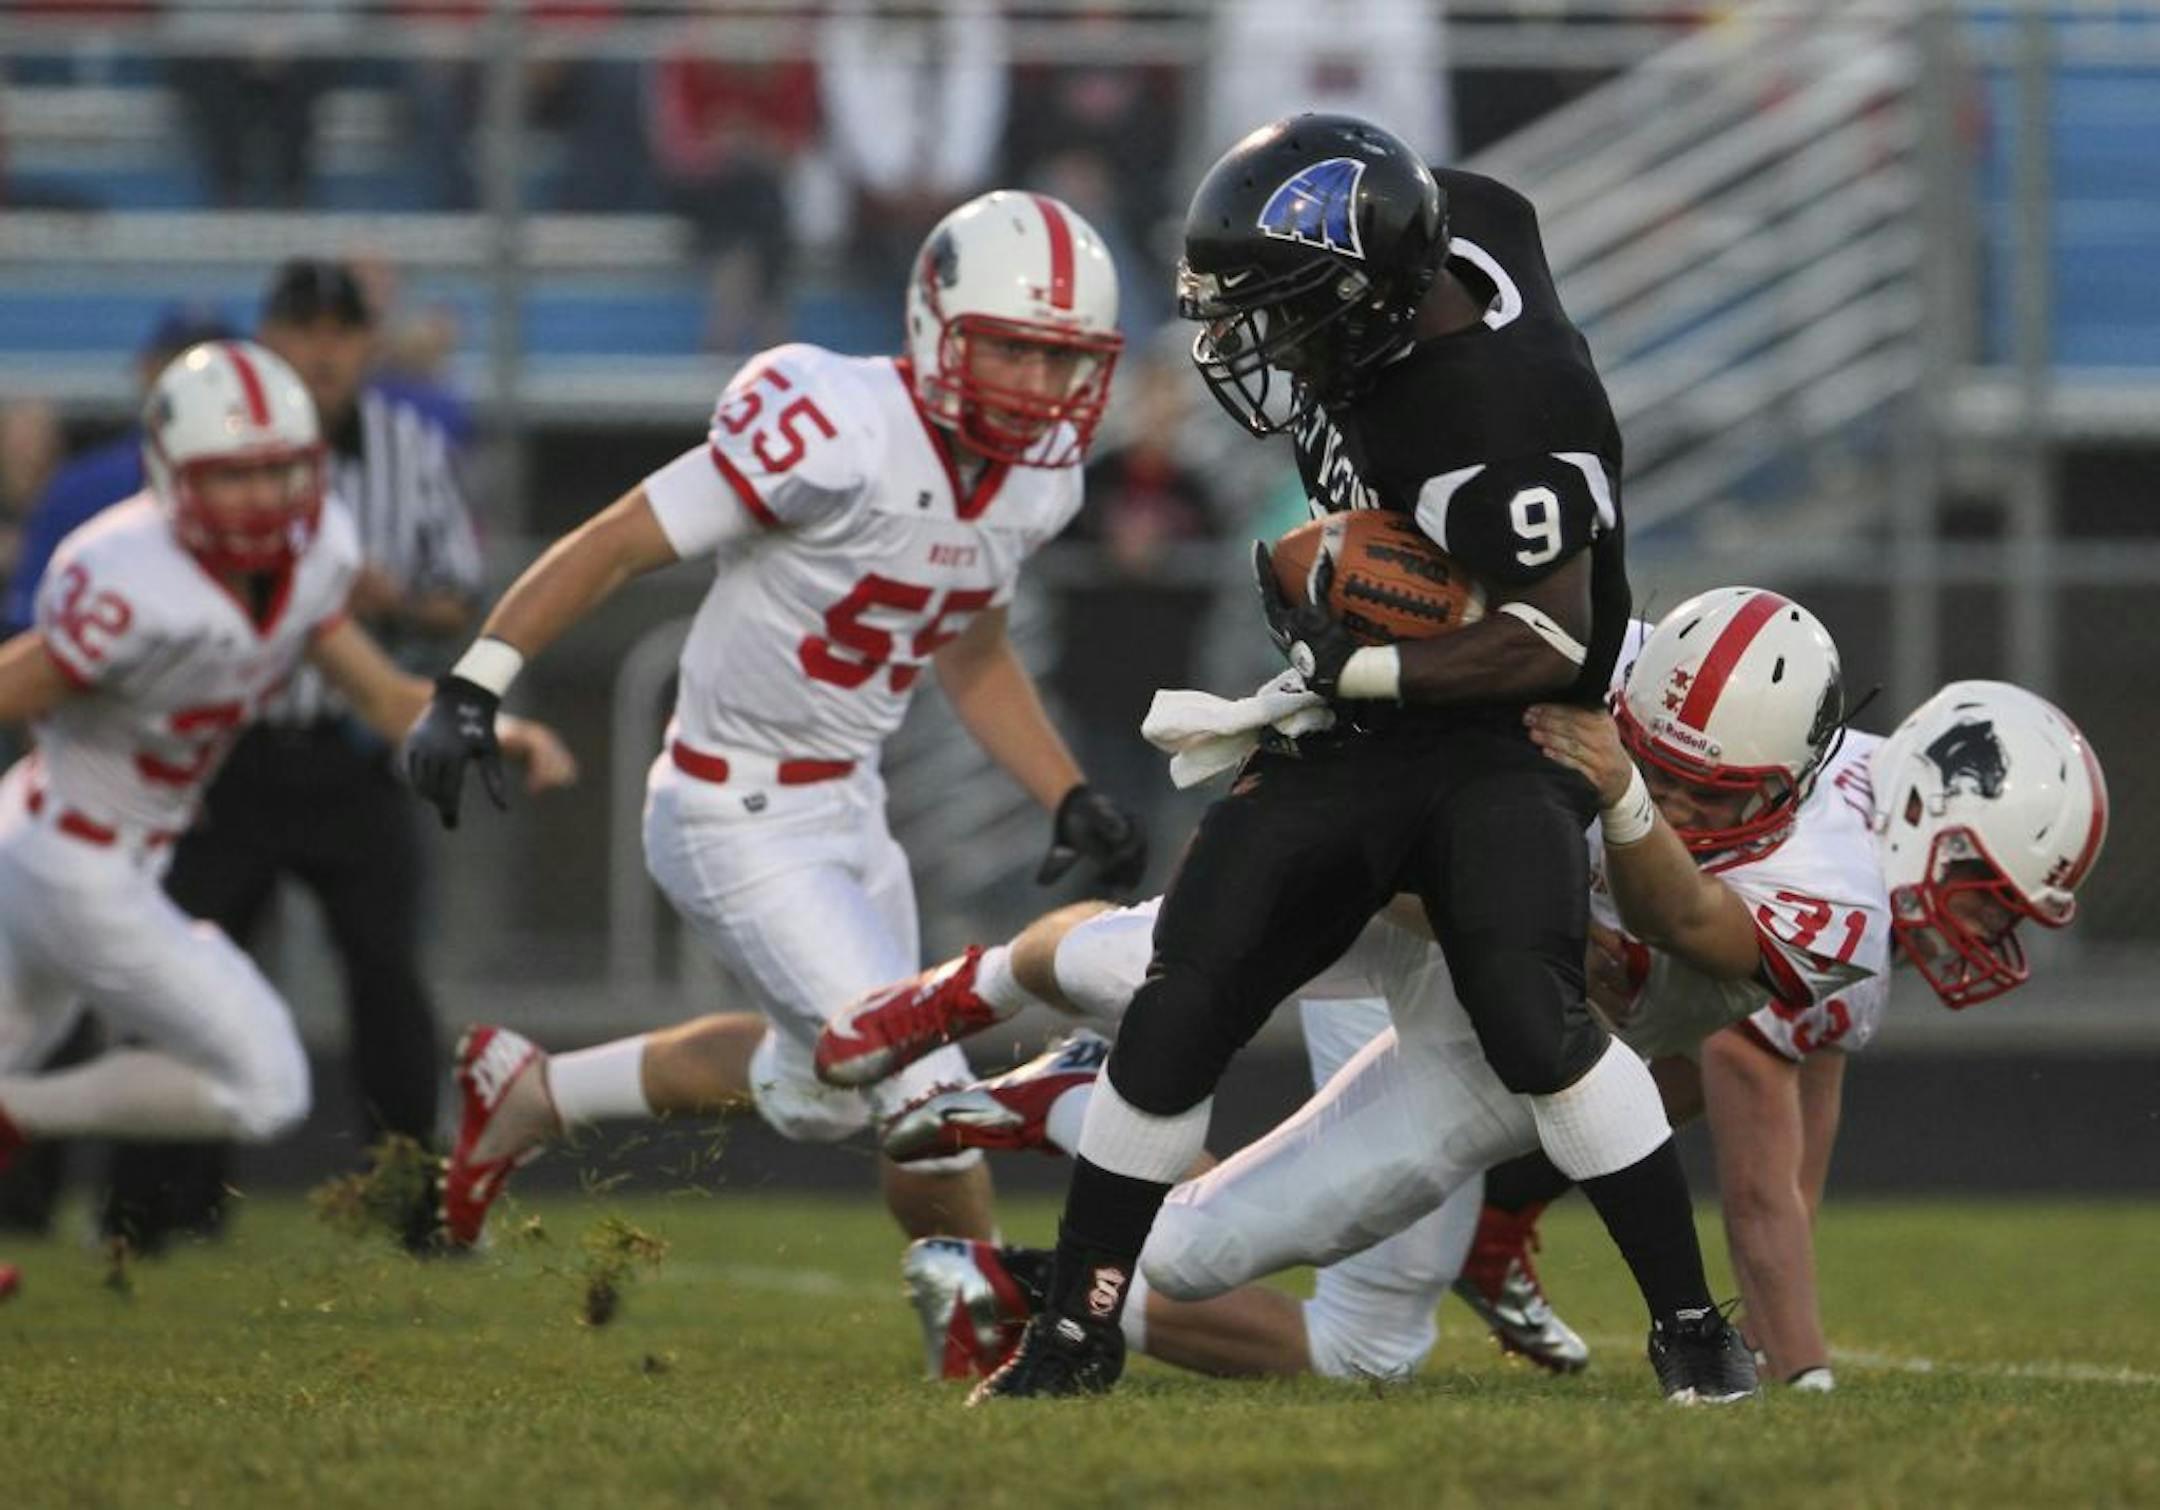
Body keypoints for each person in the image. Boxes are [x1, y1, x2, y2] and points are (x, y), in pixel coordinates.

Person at [973, 112, 1748, 1404]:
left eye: (1280, 310)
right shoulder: (1443, 228)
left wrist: (1367, 656)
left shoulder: (1500, 400)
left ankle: (1691, 1332)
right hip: (1361, 731)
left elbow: (1550, 634)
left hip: (1505, 730)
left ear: (1371, 298)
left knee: (1530, 1016)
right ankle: (1072, 1334)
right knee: (1188, 987)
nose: (1254, 343)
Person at [884, 632, 2105, 1396]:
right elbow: (1745, 1148)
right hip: (1436, 906)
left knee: (1208, 1254)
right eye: (1983, 895)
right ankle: (992, 1002)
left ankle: (1056, 1167)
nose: (1982, 932)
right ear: (1936, 817)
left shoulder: (1840, 896)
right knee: (1142, 960)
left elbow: (1706, 1009)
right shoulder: (1682, 689)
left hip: (1508, 1022)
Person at [400, 191, 1148, 1252]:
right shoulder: (831, 425)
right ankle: (983, 1331)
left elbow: (971, 651)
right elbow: (618, 539)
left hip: (851, 804)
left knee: (820, 1088)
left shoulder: (1038, 485)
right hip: (730, 804)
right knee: (918, 1084)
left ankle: (528, 1093)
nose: (1040, 388)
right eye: (1012, 352)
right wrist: (474, 680)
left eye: (1063, 361)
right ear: (937, 330)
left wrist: (1063, 788)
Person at [0, 342, 571, 1285]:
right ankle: (20, 1113)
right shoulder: (124, 576)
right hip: (75, 862)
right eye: (235, 477)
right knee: (266, 1084)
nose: (264, 498)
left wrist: (499, 731)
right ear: (173, 475)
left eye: (282, 471)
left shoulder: (313, 560)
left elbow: (385, 699)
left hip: (83, 849)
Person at [99, 259, 488, 1253]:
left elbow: (459, 592)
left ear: (366, 343)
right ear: (265, 340)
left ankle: (412, 1200)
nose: (321, 349)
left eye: (339, 330)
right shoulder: (210, 445)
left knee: (388, 979)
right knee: (182, 973)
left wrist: (387, 599)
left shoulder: (408, 446)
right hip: (224, 751)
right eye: (302, 328)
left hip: (349, 753)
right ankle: (154, 1205)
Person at [4, 306, 236, 639]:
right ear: (147, 369)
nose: (197, 385)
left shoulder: (265, 483)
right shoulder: (80, 486)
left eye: (214, 371)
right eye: (177, 363)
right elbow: (30, 627)